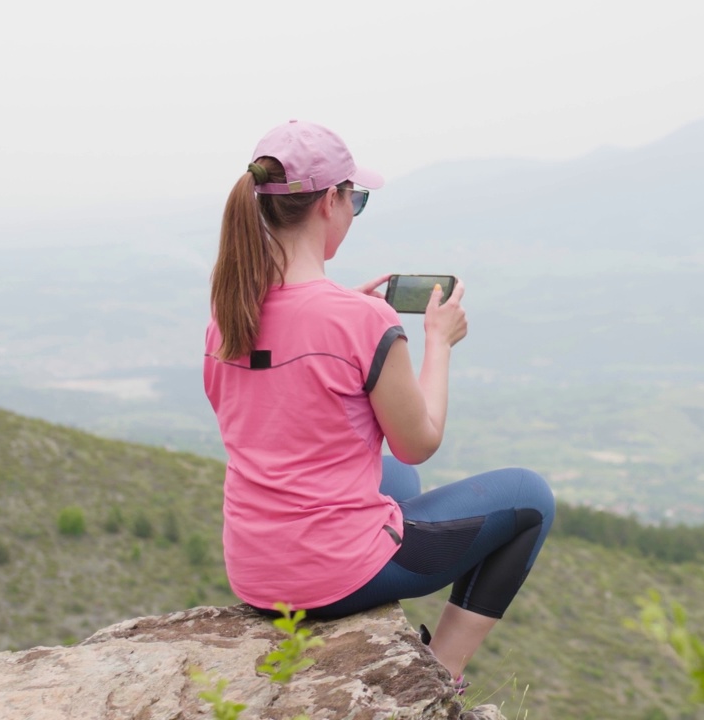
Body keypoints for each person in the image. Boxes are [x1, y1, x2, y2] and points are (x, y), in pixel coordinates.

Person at [202, 119, 555, 687]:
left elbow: (271, 417)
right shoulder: (362, 320)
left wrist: (352, 330)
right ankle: (441, 671)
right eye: (355, 199)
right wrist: (437, 342)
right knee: (531, 497)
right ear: (329, 204)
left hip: (256, 572)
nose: (352, 211)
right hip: (329, 577)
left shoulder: (230, 311)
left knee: (390, 481)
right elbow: (420, 442)